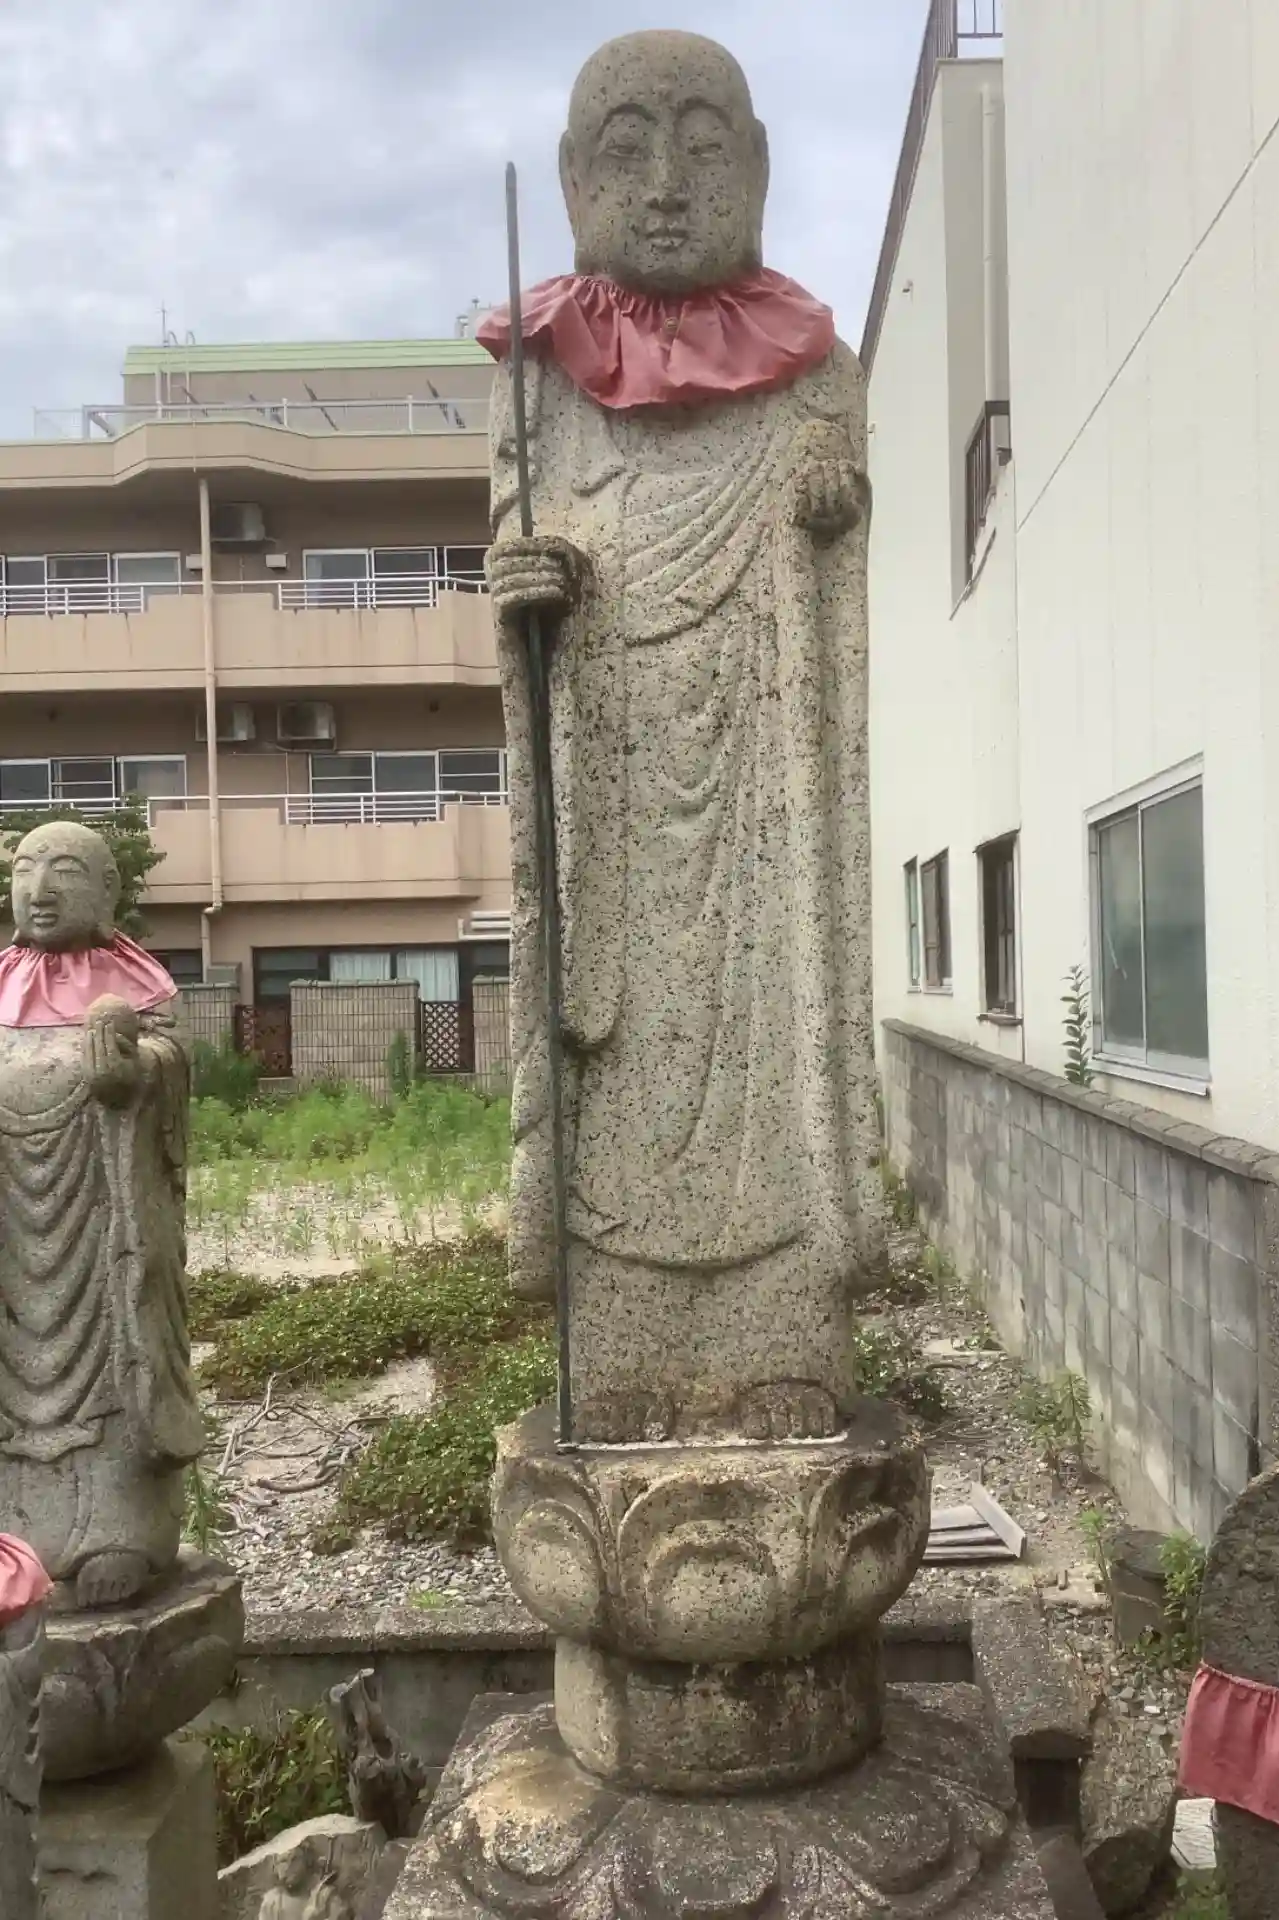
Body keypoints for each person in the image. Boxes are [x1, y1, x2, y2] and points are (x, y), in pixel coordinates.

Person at [480, 31, 884, 1443]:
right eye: (627, 149)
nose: (665, 183)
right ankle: (628, 1344)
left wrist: (831, 512)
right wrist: (527, 583)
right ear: (574, 178)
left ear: (756, 168)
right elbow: (519, 551)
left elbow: (837, 564)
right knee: (621, 1059)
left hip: (764, 781)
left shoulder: (814, 367)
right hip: (614, 785)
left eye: (703, 147)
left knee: (769, 1030)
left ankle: (782, 1338)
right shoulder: (539, 378)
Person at [0, 821, 201, 1608]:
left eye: (64, 871)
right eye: (25, 870)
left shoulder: (136, 989)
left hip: (107, 1233)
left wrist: (137, 1068)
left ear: (108, 891)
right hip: (11, 1237)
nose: (39, 891)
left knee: (119, 1365)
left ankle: (121, 1531)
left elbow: (173, 1069)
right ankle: (16, 1535)